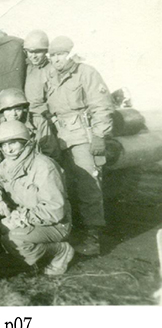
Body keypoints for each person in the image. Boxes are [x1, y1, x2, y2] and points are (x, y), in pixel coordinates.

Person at [46, 36, 115, 255]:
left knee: (89, 186)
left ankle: (92, 238)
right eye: (53, 55)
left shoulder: (86, 73)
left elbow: (101, 105)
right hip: (61, 138)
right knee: (67, 185)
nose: (57, 59)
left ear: (70, 53)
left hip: (83, 137)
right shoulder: (51, 77)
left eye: (61, 54)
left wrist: (99, 136)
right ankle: (75, 232)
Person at [0, 120, 74, 275]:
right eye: (3, 145)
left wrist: (17, 219)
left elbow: (55, 210)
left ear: (25, 142)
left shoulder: (43, 166)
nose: (8, 149)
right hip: (25, 216)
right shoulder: (7, 164)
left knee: (14, 239)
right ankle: (26, 257)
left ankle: (60, 251)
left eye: (13, 143)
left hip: (55, 224)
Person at [23, 29, 61, 161]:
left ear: (46, 51)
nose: (33, 56)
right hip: (25, 121)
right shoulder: (25, 68)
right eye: (30, 52)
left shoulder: (52, 70)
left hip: (45, 123)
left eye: (37, 52)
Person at [0, 88, 31, 177]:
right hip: (10, 173)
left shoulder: (37, 122)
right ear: (2, 112)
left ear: (23, 109)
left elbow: (51, 153)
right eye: (8, 110)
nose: (14, 114)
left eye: (18, 109)